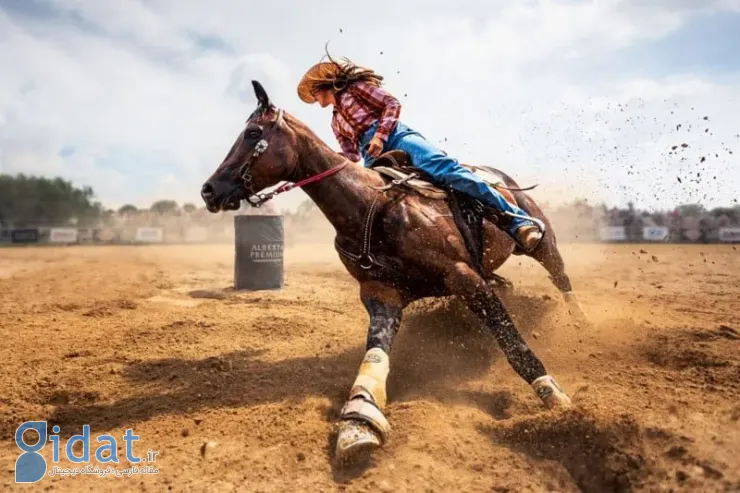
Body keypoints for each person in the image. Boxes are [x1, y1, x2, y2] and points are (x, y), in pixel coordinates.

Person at [296, 53, 543, 251]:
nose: (314, 99)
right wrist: (337, 161)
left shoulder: (356, 89)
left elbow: (391, 104)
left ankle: (518, 221)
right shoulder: (335, 122)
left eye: (314, 93)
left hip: (397, 136)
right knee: (374, 204)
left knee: (444, 170)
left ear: (323, 86)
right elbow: (351, 155)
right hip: (370, 154)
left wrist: (381, 136)